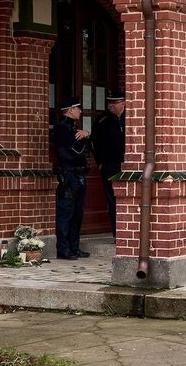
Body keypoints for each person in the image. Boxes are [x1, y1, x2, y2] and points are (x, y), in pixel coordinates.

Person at [52, 98, 92, 260]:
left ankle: (74, 247)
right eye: (77, 108)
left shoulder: (73, 127)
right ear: (70, 110)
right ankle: (63, 248)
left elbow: (86, 150)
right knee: (66, 212)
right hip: (68, 175)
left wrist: (87, 134)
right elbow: (74, 151)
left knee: (77, 213)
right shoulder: (61, 128)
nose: (80, 111)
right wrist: (85, 137)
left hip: (79, 173)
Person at [93, 92, 126, 236]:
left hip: (129, 164)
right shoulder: (103, 120)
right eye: (109, 103)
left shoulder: (133, 118)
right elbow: (95, 143)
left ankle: (130, 232)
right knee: (113, 199)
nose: (111, 105)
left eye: (114, 102)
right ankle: (117, 233)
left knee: (129, 197)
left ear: (123, 103)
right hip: (109, 165)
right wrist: (100, 162)